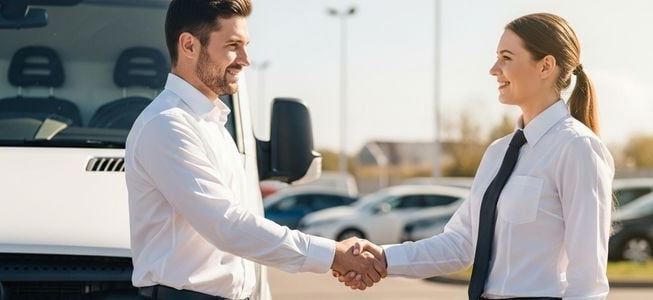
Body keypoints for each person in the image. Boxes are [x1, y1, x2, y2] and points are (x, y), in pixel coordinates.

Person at [337, 13, 614, 300]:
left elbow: (588, 281)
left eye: (506, 57)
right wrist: (383, 258)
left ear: (546, 66)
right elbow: (461, 243)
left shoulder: (578, 148)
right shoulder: (498, 152)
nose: (494, 69)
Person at [124, 0, 385, 299]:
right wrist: (332, 255)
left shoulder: (213, 125)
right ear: (189, 45)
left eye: (246, 45)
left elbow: (244, 230)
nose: (246, 59)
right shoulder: (167, 126)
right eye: (233, 45)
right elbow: (228, 226)